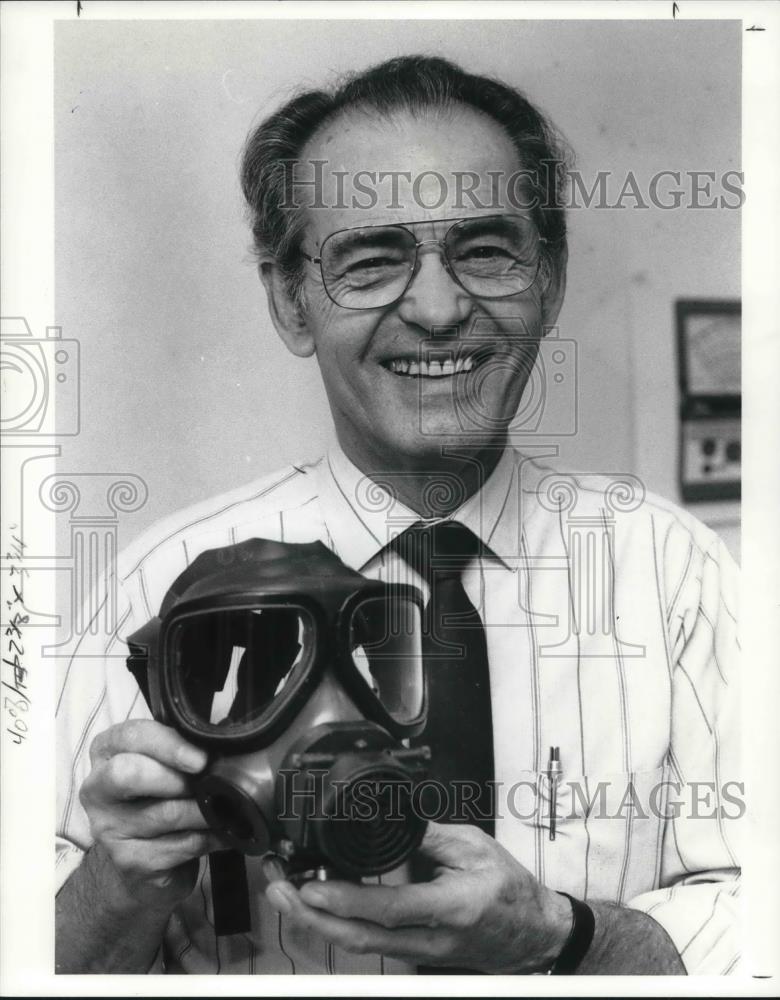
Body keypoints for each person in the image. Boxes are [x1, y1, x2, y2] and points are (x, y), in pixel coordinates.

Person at [55, 55, 741, 975]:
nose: (438, 307)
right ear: (290, 301)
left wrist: (565, 934)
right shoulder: (159, 582)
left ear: (551, 278)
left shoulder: (680, 575)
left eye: (487, 251)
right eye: (371, 261)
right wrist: (119, 880)